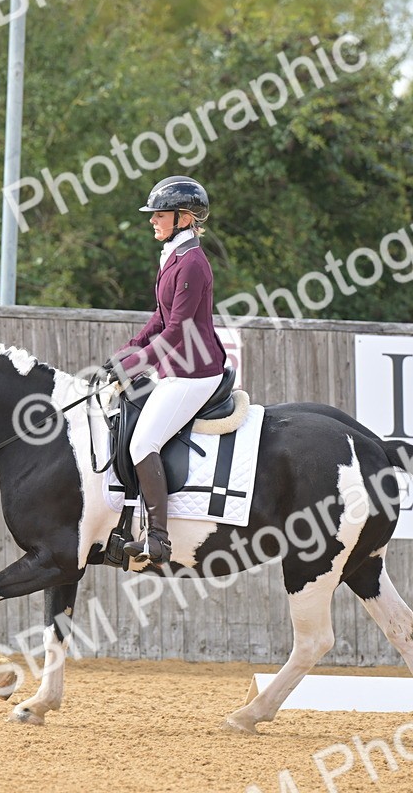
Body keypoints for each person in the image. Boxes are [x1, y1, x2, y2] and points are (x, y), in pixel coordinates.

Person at [104, 176, 227, 565]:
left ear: (184, 217)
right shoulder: (173, 255)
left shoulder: (193, 262)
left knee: (143, 443)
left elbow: (177, 331)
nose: (152, 221)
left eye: (159, 215)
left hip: (195, 371)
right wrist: (129, 351)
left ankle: (158, 538)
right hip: (175, 366)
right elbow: (160, 317)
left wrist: (136, 366)